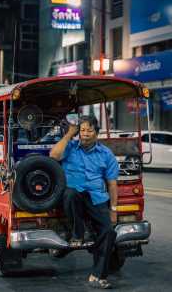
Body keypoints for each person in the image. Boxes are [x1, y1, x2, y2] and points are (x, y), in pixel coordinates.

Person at [50, 115, 119, 289]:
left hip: (97, 198)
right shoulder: (70, 146)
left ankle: (97, 276)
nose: (85, 134)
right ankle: (77, 234)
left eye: (89, 130)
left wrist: (113, 209)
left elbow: (112, 183)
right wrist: (68, 135)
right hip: (72, 196)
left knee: (109, 232)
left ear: (97, 132)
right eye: (82, 130)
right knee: (71, 193)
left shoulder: (106, 154)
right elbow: (54, 155)